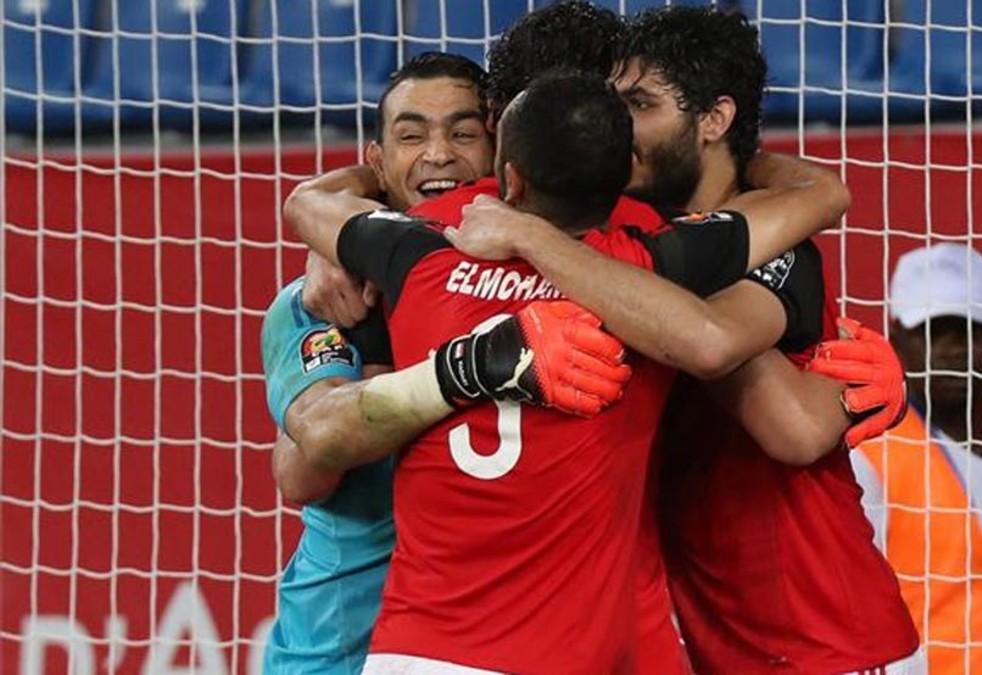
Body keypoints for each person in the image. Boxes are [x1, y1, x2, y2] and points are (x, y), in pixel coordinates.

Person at [294, 71, 836, 673]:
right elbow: (822, 195)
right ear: (625, 172)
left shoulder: (418, 253)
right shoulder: (653, 270)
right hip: (560, 656)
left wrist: (377, 181)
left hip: (418, 650)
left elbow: (306, 203)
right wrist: (747, 158)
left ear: (510, 174)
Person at [449, 7, 923, 673]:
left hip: (829, 639)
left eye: (639, 104)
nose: (618, 126)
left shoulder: (769, 243)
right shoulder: (633, 240)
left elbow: (791, 424)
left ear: (713, 120)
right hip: (718, 643)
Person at [258, 52, 497, 675]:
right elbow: (302, 475)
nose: (439, 154)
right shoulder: (319, 300)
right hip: (334, 654)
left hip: (472, 646)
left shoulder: (532, 284)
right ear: (379, 163)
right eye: (411, 136)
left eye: (465, 133)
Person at [851, 243, 982, 675]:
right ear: (897, 337)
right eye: (932, 331)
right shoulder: (868, 447)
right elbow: (853, 607)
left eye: (968, 330)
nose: (952, 350)